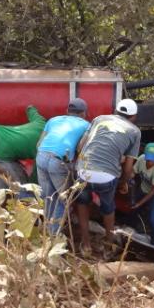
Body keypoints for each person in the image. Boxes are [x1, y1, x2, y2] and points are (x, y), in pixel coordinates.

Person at [75, 98, 141, 257]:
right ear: (134, 117)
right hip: (106, 177)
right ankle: (108, 247)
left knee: (82, 204)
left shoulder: (99, 119)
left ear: (116, 111)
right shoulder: (134, 131)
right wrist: (123, 183)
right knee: (108, 208)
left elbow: (80, 147)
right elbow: (128, 167)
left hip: (83, 171)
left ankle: (85, 245)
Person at [36, 98, 90, 235]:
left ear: (67, 111)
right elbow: (80, 148)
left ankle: (47, 233)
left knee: (48, 197)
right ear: (84, 113)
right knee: (62, 199)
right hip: (59, 160)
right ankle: (54, 237)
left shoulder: (53, 120)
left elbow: (38, 144)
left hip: (41, 156)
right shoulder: (87, 125)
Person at [0, 105, 46, 197]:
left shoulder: (40, 122)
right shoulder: (44, 145)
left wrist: (30, 107)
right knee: (23, 190)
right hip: (2, 156)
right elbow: (36, 174)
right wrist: (34, 188)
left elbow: (31, 110)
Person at [131, 142, 154, 247]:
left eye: (152, 159)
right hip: (144, 188)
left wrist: (139, 203)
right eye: (148, 158)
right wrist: (130, 179)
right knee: (134, 208)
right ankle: (131, 227)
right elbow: (133, 171)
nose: (149, 161)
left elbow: (153, 191)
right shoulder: (141, 159)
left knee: (153, 219)